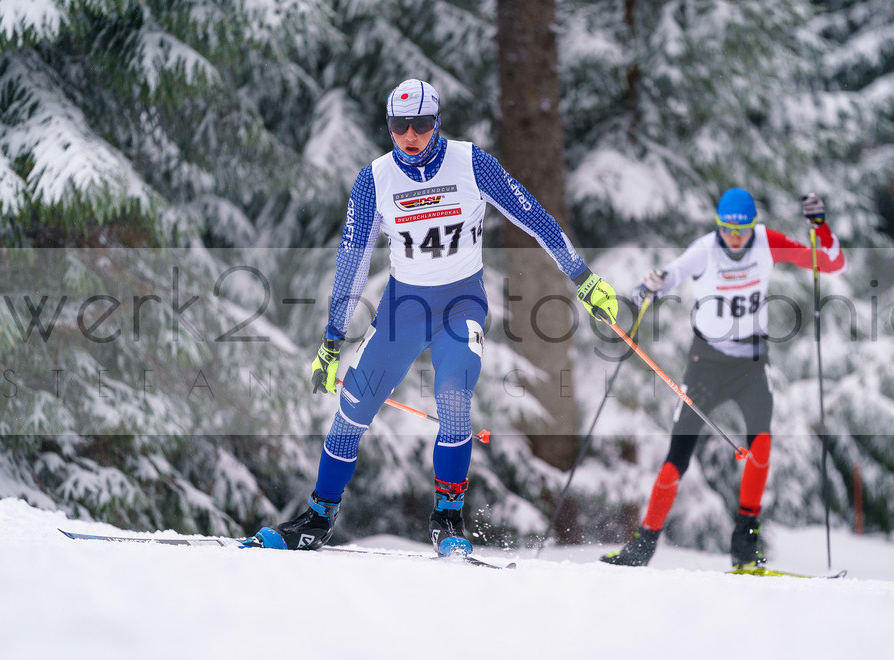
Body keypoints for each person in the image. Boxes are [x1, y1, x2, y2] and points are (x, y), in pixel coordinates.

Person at [244, 79, 618, 555]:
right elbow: (353, 262)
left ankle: (447, 518)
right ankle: (319, 516)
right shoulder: (374, 179)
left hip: (461, 304)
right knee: (355, 403)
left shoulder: (471, 163)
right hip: (405, 307)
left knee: (455, 392)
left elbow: (533, 215)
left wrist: (581, 277)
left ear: (437, 122)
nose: (410, 135)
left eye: (421, 124)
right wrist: (332, 340)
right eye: (400, 126)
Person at [601, 188, 847, 569]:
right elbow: (665, 279)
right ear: (719, 226)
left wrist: (820, 227)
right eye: (727, 230)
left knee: (761, 446)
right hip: (706, 366)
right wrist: (646, 288)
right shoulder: (704, 250)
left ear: (752, 225)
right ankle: (643, 544)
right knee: (676, 458)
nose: (735, 238)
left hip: (751, 365)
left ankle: (745, 543)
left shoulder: (766, 241)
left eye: (742, 230)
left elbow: (831, 264)